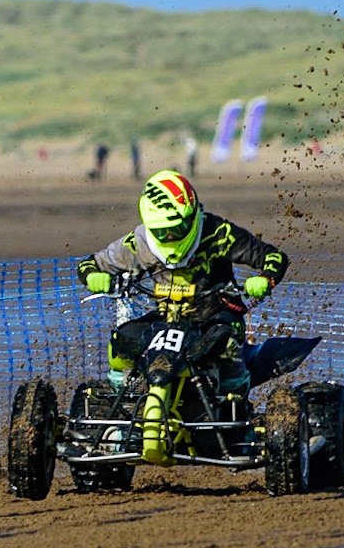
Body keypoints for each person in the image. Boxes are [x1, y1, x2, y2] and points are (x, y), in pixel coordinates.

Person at [77, 170, 289, 399]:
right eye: (161, 232)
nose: (169, 237)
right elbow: (90, 264)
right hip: (166, 318)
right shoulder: (139, 243)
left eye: (175, 229)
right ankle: (122, 401)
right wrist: (93, 277)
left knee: (227, 345)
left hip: (216, 314)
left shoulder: (217, 233)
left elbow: (273, 256)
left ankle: (235, 403)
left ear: (191, 217)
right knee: (120, 342)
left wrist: (265, 278)